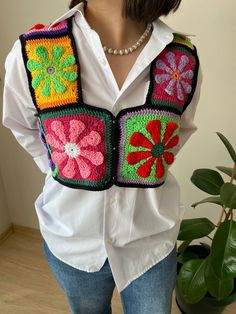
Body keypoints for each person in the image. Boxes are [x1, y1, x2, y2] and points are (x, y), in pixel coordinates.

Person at [2, 0, 202, 313]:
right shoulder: (34, 54)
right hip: (72, 239)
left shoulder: (181, 61)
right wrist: (63, 166)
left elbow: (178, 133)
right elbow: (21, 125)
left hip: (150, 240)